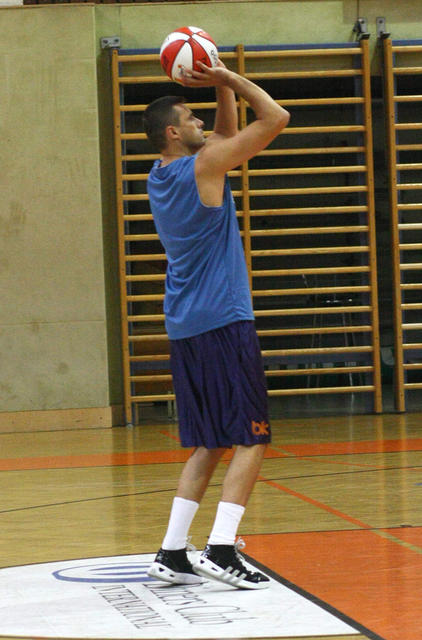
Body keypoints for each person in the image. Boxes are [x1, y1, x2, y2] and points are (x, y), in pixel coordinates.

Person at [143, 59, 290, 589]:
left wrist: (220, 90)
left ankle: (172, 551)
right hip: (224, 320)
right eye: (191, 117)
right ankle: (222, 548)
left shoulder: (160, 175)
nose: (200, 121)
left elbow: (224, 137)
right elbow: (276, 118)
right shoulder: (203, 166)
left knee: (208, 441)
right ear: (172, 132)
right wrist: (228, 79)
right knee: (252, 437)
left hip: (185, 323)